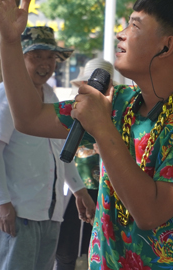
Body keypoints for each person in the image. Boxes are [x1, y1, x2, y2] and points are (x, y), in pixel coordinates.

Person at [0, 0, 173, 269]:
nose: (121, 33)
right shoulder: (120, 102)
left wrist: (102, 128)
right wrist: (9, 42)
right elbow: (29, 118)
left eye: (134, 25)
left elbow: (149, 212)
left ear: (166, 47)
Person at [0, 25, 95, 270]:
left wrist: (79, 190)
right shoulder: (3, 96)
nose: (45, 64)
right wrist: (2, 203)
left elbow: (59, 149)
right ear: (19, 58)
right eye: (36, 57)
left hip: (50, 211)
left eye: (50, 57)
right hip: (18, 210)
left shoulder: (50, 96)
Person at [55, 58, 113, 270]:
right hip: (75, 190)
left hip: (108, 191)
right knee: (66, 250)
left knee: (100, 251)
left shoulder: (119, 113)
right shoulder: (71, 110)